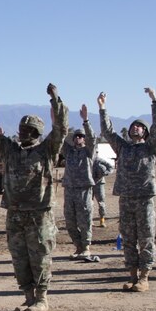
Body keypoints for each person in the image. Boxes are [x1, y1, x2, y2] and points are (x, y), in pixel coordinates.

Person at [0, 84, 68, 311]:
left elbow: (61, 128)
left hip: (39, 213)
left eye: (28, 130)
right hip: (15, 212)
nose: (23, 133)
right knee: (19, 257)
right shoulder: (10, 150)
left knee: (40, 256)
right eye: (21, 129)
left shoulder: (48, 150)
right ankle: (28, 297)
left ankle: (42, 299)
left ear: (37, 133)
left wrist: (55, 100)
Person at [99, 87, 156, 292]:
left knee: (145, 238)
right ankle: (132, 275)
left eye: (140, 126)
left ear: (145, 132)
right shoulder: (123, 147)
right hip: (125, 198)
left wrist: (154, 101)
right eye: (133, 126)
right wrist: (103, 108)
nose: (135, 128)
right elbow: (108, 132)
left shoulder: (150, 147)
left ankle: (144, 277)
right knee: (128, 238)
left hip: (144, 199)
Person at [61, 106, 97, 259]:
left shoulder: (88, 152)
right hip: (69, 189)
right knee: (70, 220)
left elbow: (92, 138)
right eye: (76, 136)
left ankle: (86, 246)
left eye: (81, 136)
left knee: (85, 219)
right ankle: (78, 246)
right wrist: (58, 120)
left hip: (83, 189)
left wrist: (85, 121)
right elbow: (60, 138)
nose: (78, 138)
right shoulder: (69, 152)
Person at [91, 155, 114, 227]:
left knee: (101, 202)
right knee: (88, 203)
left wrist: (105, 173)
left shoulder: (99, 159)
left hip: (99, 183)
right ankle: (89, 220)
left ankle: (102, 219)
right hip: (88, 184)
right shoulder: (85, 158)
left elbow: (110, 167)